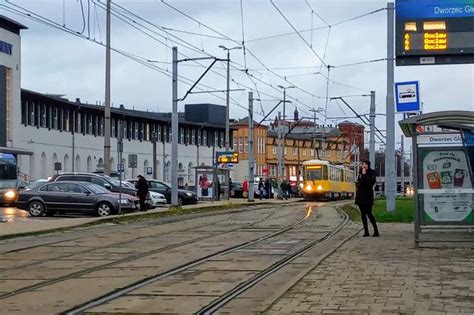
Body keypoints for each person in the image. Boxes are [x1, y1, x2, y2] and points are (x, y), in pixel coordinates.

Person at [355, 160, 379, 237]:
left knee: (369, 213)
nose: (364, 166)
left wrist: (364, 175)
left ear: (368, 165)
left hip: (368, 195)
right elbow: (359, 183)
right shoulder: (360, 173)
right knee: (362, 214)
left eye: (365, 164)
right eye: (363, 164)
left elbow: (370, 184)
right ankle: (366, 231)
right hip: (360, 195)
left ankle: (376, 230)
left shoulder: (372, 172)